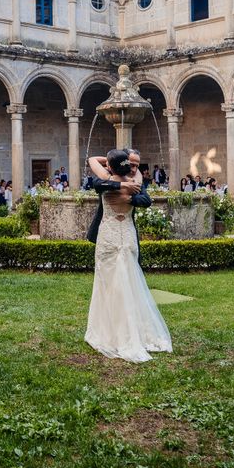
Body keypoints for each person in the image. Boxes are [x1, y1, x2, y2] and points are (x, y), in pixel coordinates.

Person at [85, 149, 172, 363]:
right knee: (129, 283)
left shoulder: (107, 178)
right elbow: (139, 196)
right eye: (131, 163)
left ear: (110, 166)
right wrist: (124, 184)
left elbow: (94, 169)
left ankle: (112, 332)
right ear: (127, 165)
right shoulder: (134, 182)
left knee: (109, 283)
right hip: (126, 235)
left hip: (111, 236)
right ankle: (131, 329)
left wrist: (112, 165)